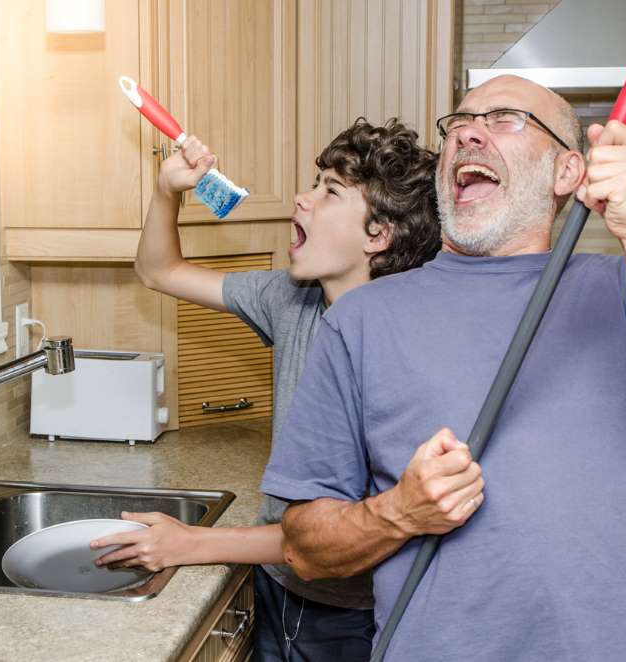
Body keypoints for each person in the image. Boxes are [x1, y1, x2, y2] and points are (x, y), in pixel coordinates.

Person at [262, 74, 626, 660]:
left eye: (505, 119)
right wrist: (399, 512)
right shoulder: (364, 320)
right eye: (460, 124)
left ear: (568, 173)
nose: (469, 133)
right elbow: (304, 549)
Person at [89, 118, 454, 661]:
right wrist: (168, 190)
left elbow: (342, 531)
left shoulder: (407, 349)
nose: (302, 201)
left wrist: (193, 544)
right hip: (278, 588)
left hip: (359, 615)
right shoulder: (294, 298)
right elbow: (159, 270)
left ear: (379, 234)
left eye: (330, 192)